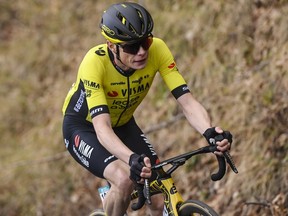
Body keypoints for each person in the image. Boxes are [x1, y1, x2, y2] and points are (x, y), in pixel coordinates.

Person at [62, 2, 232, 216]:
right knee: (124, 180)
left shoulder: (158, 49)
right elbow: (102, 128)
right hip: (84, 128)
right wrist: (131, 158)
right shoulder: (94, 63)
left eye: (145, 42)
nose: (142, 51)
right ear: (110, 45)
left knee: (158, 198)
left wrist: (209, 132)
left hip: (123, 125)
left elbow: (187, 102)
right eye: (132, 47)